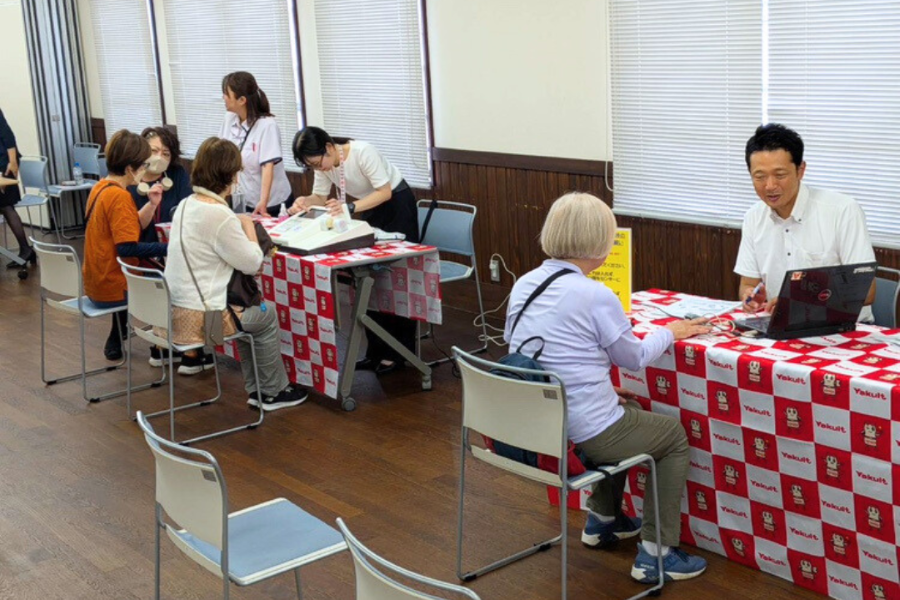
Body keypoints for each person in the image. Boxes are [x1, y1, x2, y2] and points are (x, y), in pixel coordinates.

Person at [505, 192, 711, 584]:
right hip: (580, 431)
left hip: (537, 425)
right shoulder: (595, 294)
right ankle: (657, 553)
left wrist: (598, 389)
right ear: (602, 243)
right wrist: (671, 331)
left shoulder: (525, 283)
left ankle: (603, 520)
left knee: (627, 413)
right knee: (672, 436)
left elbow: (527, 353)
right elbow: (633, 358)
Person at [164, 137, 306, 411]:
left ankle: (259, 390)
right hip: (206, 324)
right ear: (230, 175)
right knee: (264, 314)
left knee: (245, 309)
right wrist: (248, 225)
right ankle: (271, 391)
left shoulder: (186, 204)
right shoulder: (219, 215)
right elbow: (252, 263)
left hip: (172, 315)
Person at [289, 126, 418, 375]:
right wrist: (304, 201)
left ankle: (399, 353)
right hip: (366, 208)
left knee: (395, 278)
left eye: (318, 163)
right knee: (370, 279)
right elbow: (319, 196)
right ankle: (375, 352)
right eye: (312, 166)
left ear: (328, 147)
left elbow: (384, 191)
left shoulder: (362, 151)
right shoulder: (325, 164)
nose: (319, 169)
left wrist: (349, 207)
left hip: (396, 206)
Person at [735, 124, 877, 320]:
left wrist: (796, 303)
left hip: (841, 327)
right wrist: (750, 296)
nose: (770, 186)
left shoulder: (842, 210)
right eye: (760, 177)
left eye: (780, 175)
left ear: (800, 170)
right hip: (780, 325)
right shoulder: (753, 217)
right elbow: (747, 284)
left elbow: (866, 291)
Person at [83, 130, 167, 361]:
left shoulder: (101, 187)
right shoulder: (120, 197)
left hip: (95, 283)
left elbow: (127, 227)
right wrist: (169, 248)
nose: (146, 170)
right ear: (130, 168)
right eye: (144, 165)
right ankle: (168, 348)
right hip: (113, 289)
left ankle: (121, 334)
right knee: (172, 283)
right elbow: (126, 248)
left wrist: (151, 204)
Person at [218, 71, 293, 216]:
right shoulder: (229, 119)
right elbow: (222, 154)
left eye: (227, 94)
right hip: (244, 199)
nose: (223, 97)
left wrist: (263, 201)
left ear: (242, 100)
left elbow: (267, 166)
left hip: (272, 203)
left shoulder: (267, 125)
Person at [129, 126, 191, 244]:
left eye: (166, 154)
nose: (159, 157)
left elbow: (189, 209)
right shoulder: (129, 179)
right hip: (140, 248)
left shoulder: (177, 173)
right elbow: (129, 228)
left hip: (172, 245)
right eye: (154, 151)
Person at [0, 107, 35, 268]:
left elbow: (8, 136)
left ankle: (25, 249)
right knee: (5, 207)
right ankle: (26, 249)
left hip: (5, 163)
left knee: (6, 206)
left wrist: (13, 162)